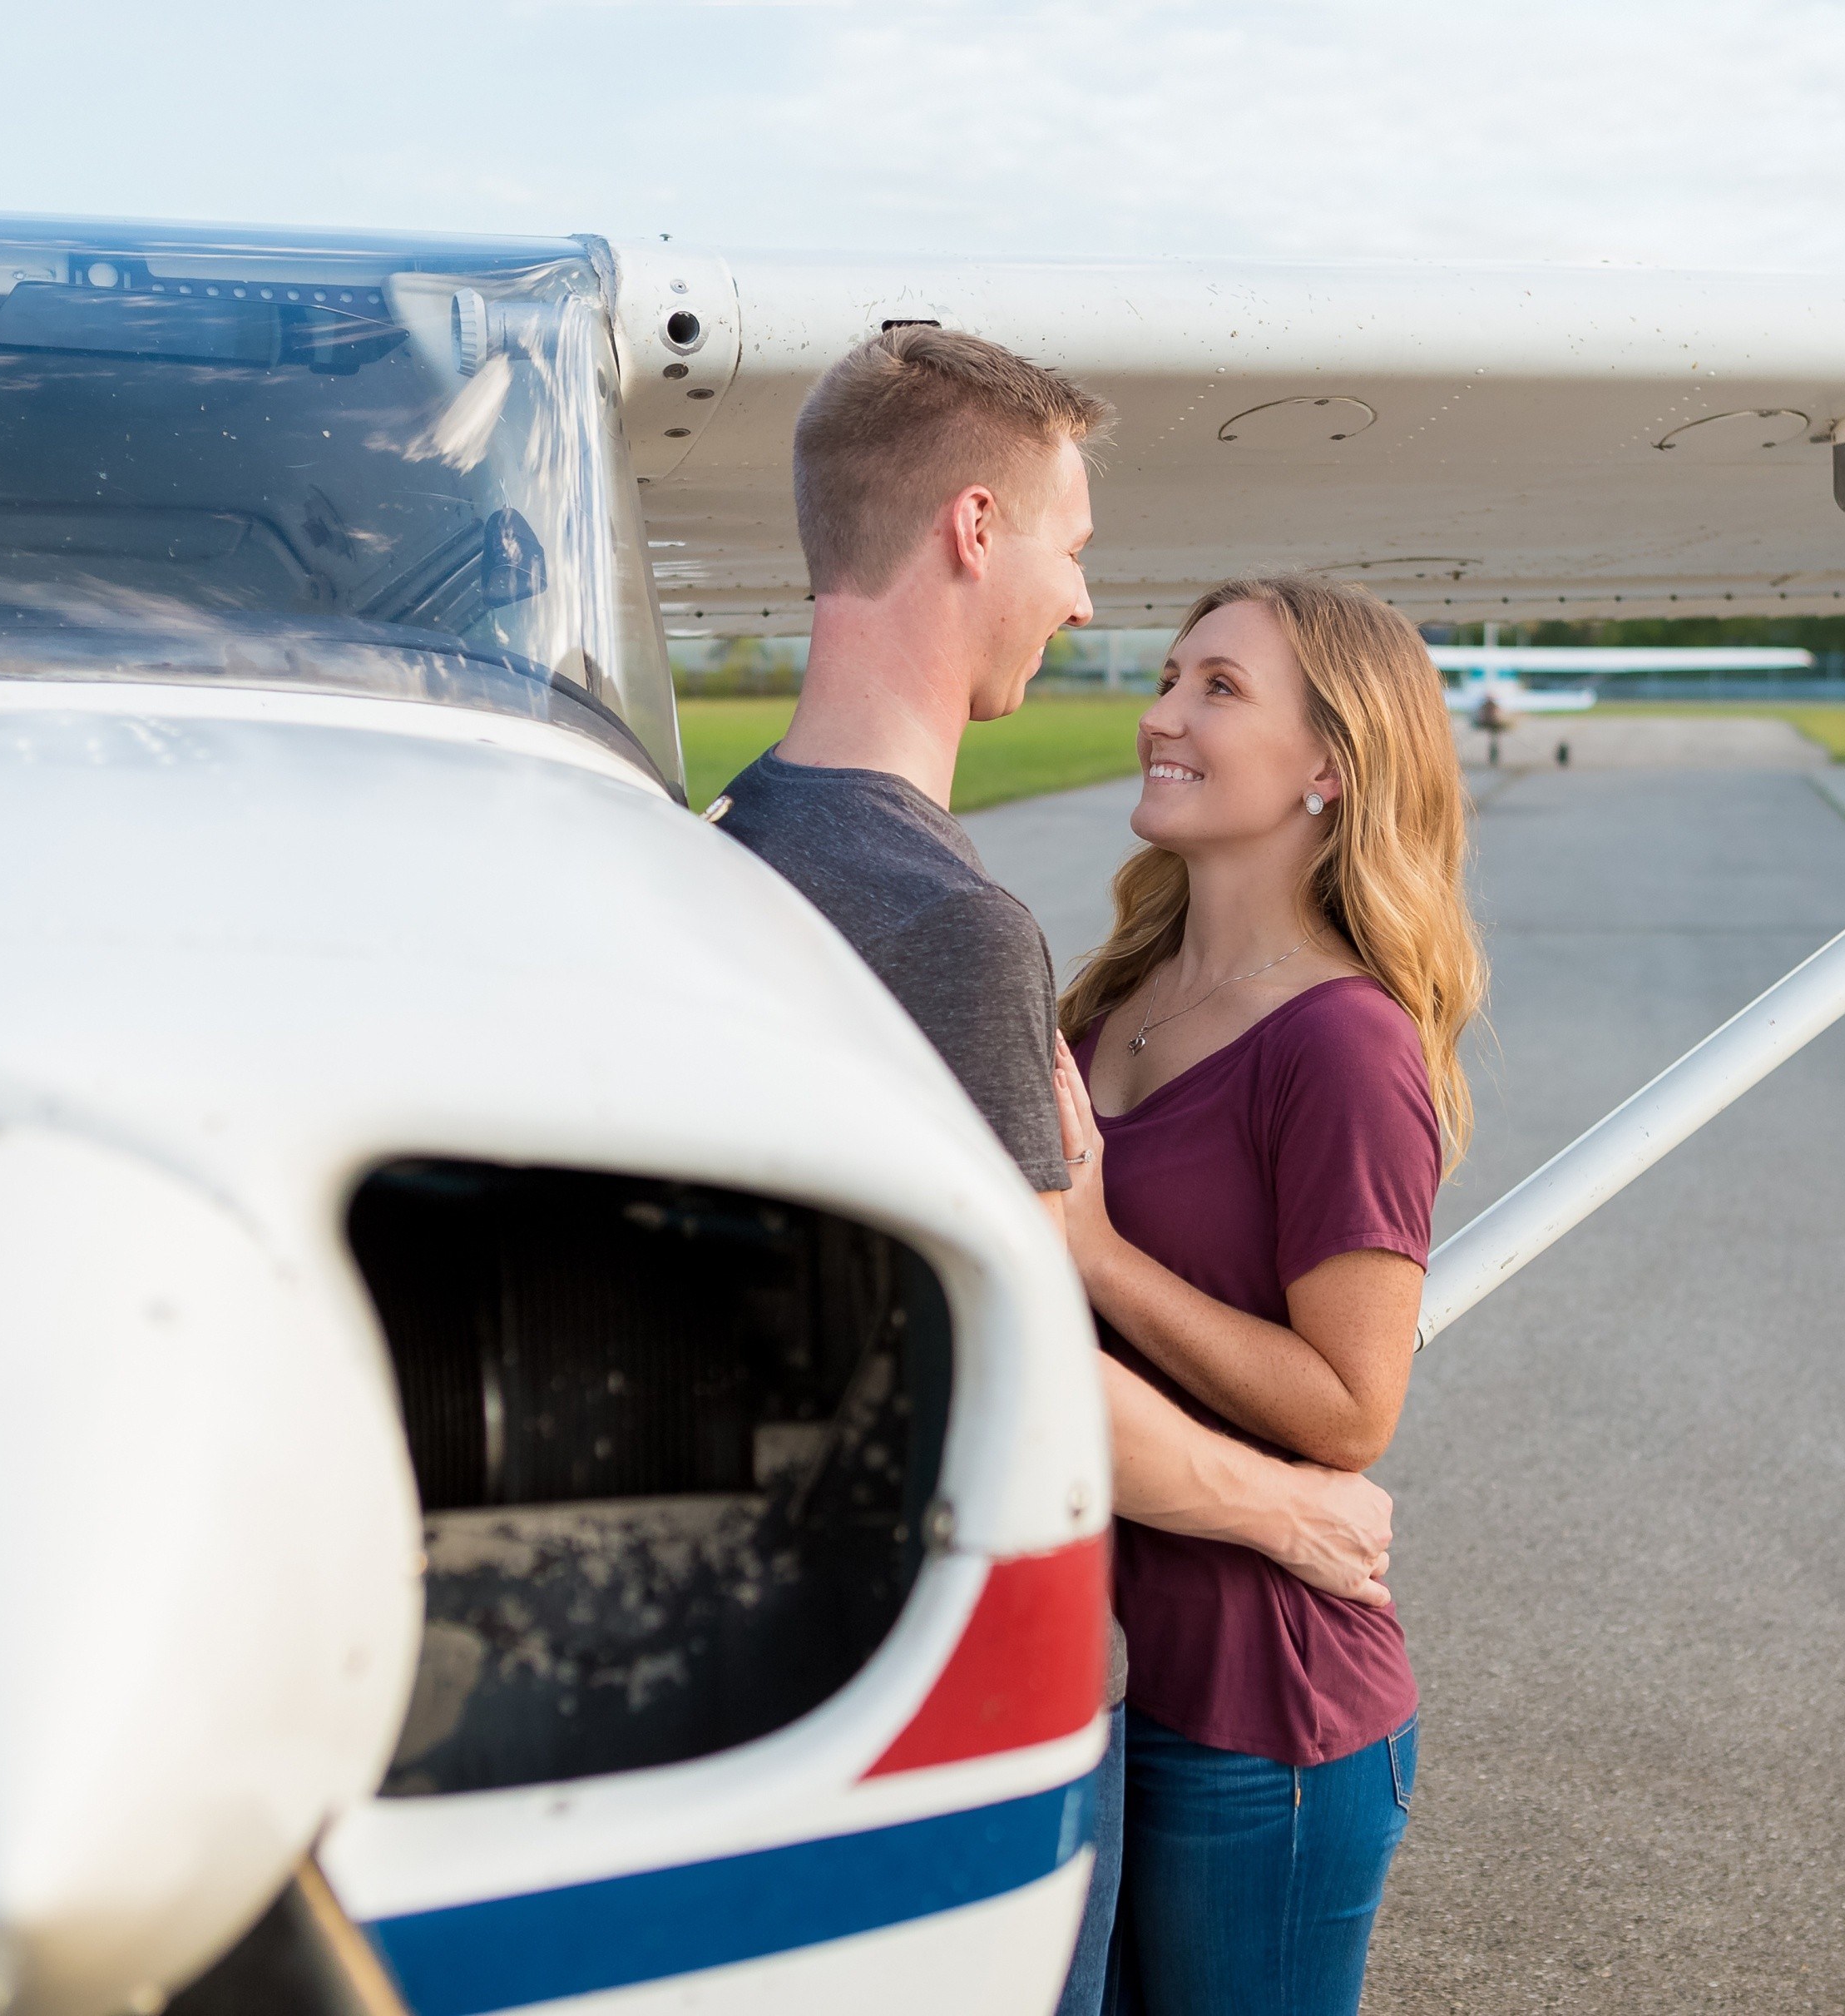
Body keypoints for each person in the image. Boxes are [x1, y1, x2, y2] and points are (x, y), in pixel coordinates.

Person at [706, 329, 1397, 2016]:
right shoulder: (957, 928)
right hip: (973, 1696)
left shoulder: (722, 851)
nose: (1087, 606)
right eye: (1071, 545)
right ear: (971, 529)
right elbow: (1019, 1378)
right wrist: (1296, 1514)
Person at [1049, 576, 1485, 2016]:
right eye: (1171, 676)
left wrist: (1101, 1254)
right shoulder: (1110, 998)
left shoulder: (1346, 1046)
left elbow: (1354, 1408)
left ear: (1330, 770)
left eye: (1217, 689)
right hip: (1087, 1674)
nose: (1160, 713)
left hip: (1257, 1716)